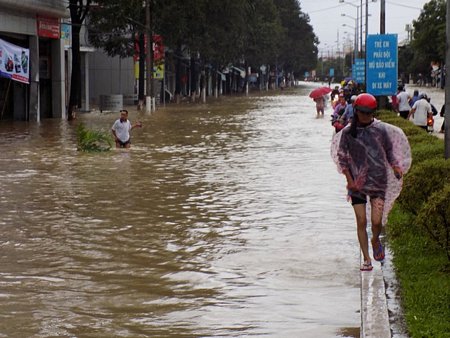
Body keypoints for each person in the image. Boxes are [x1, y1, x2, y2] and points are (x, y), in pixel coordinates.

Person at [331, 93, 411, 271]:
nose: (366, 116)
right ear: (357, 111)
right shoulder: (347, 133)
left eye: (369, 113)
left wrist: (396, 167)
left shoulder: (381, 130)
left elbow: (389, 152)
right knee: (361, 220)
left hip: (378, 180)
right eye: (362, 112)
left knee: (376, 222)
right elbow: (342, 158)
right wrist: (350, 181)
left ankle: (375, 240)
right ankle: (366, 259)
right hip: (357, 183)